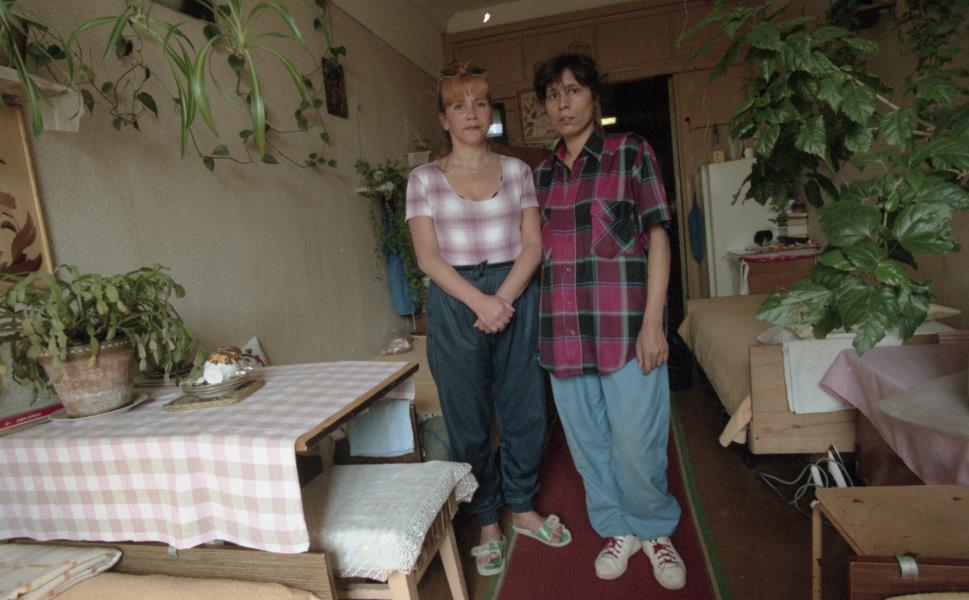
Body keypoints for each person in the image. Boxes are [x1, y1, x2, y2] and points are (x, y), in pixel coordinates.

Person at [405, 61, 570, 576]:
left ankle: (521, 506)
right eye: (459, 106)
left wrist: (503, 298)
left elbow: (533, 245)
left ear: (489, 112)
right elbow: (428, 258)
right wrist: (482, 303)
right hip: (456, 300)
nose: (472, 113)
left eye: (479, 103)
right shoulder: (424, 179)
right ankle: (486, 520)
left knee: (525, 410)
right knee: (467, 417)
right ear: (444, 119)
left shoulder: (518, 171)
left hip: (515, 290)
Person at [531, 52, 687, 589]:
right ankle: (618, 528)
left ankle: (655, 529)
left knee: (638, 443)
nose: (563, 103)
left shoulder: (631, 152)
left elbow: (658, 236)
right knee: (589, 446)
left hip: (626, 330)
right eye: (553, 95)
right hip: (563, 334)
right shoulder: (541, 176)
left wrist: (653, 323)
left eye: (573, 91)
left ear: (594, 98)